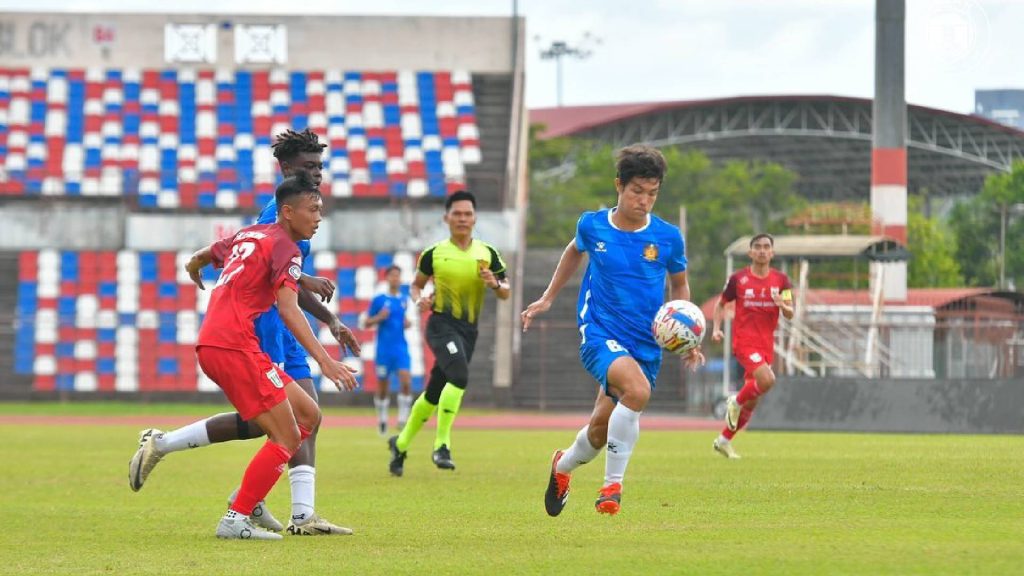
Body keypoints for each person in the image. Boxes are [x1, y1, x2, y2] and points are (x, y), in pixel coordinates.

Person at [128, 129, 359, 536]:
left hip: (246, 329)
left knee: (304, 416)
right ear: (286, 171)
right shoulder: (281, 215)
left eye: (320, 166)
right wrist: (325, 351)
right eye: (308, 167)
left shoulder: (279, 223)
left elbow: (226, 253)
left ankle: (295, 512)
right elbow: (282, 288)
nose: (317, 174)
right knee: (279, 424)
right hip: (260, 330)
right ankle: (238, 503)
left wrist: (194, 267)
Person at [522, 145, 703, 517]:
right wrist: (547, 298)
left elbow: (680, 288)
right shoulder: (593, 224)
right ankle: (611, 489)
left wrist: (687, 335)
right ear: (619, 186)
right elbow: (574, 251)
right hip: (599, 332)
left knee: (598, 433)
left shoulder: (668, 237)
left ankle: (562, 466)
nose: (644, 200)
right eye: (637, 191)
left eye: (652, 193)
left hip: (645, 343)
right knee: (637, 391)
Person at [387, 190, 510, 476]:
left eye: (468, 214)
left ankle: (400, 444)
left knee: (434, 392)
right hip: (441, 325)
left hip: (469, 331)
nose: (463, 219)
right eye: (457, 214)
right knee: (460, 376)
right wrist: (420, 300)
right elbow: (415, 286)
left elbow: (505, 292)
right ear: (447, 218)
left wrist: (494, 284)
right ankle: (442, 445)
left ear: (475, 218)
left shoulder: (488, 253)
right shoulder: (434, 253)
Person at [710, 233, 793, 459]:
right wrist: (716, 328)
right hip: (744, 342)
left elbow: (790, 312)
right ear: (751, 252)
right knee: (767, 380)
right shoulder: (738, 279)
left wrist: (782, 305)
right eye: (758, 247)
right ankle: (734, 401)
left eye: (767, 247)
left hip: (766, 345)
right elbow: (721, 304)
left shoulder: (781, 281)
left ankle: (723, 440)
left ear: (772, 253)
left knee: (753, 401)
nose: (762, 251)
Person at [364, 264, 414, 436]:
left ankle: (402, 418)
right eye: (392, 275)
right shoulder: (379, 300)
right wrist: (379, 317)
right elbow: (366, 323)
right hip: (384, 349)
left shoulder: (403, 300)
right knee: (383, 386)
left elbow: (402, 319)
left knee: (406, 380)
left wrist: (407, 323)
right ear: (387, 278)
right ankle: (383, 419)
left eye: (398, 276)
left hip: (401, 347)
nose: (395, 279)